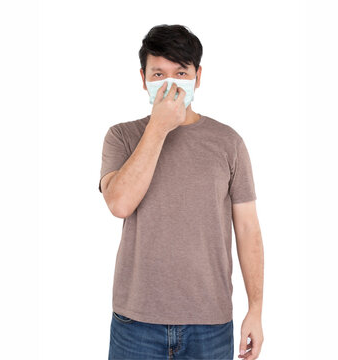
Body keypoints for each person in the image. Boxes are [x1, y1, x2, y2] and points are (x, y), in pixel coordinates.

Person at [99, 24, 264, 360]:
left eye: (181, 72)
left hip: (210, 322)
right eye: (158, 73)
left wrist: (256, 310)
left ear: (198, 77)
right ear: (143, 79)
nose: (170, 82)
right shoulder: (121, 137)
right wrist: (159, 127)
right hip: (136, 322)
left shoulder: (228, 143)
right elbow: (119, 204)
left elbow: (248, 230)